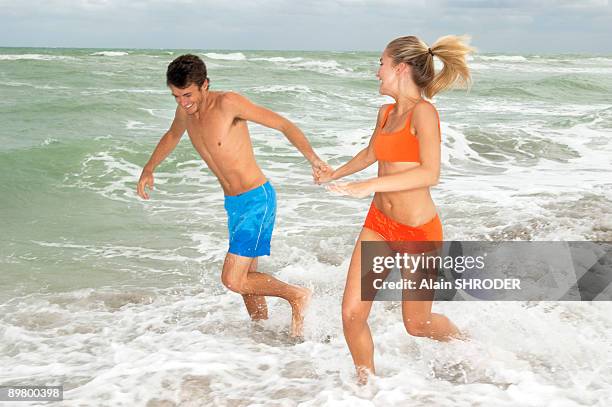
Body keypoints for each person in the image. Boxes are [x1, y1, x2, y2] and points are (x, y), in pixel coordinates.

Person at [314, 35, 473, 381]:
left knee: (418, 324)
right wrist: (334, 173)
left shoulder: (425, 113)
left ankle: (467, 345)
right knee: (351, 313)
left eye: (381, 64)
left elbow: (429, 173)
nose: (377, 72)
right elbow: (372, 154)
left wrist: (368, 185)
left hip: (418, 232)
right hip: (379, 224)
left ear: (400, 68)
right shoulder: (385, 113)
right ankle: (365, 386)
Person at [137, 54, 329, 337]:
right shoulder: (185, 112)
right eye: (176, 96)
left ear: (205, 85)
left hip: (257, 200)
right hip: (235, 204)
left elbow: (283, 124)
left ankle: (297, 295)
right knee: (247, 281)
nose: (182, 102)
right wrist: (149, 168)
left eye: (187, 94)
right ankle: (262, 335)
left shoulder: (228, 104)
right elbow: (171, 135)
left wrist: (313, 159)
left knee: (233, 279)